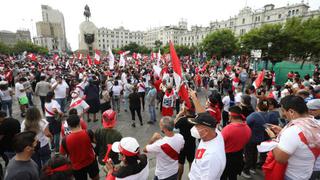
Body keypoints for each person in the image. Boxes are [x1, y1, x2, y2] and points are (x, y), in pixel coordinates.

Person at [265, 95, 320, 180]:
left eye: (283, 111)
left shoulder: (293, 131)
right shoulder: (316, 123)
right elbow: (302, 140)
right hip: (308, 172)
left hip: (292, 175)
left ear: (291, 112)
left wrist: (273, 138)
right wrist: (282, 131)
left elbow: (280, 159)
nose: (283, 114)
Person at [188, 89, 226, 180]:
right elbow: (203, 114)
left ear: (205, 132)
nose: (194, 128)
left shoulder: (211, 157)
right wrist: (194, 97)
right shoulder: (215, 132)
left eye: (197, 126)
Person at [60, 115, 99, 180]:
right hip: (91, 162)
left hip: (76, 167)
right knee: (96, 178)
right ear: (79, 123)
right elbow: (96, 142)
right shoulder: (88, 133)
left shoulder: (65, 140)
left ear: (69, 126)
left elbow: (62, 154)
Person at [221, 106, 251, 180]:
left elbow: (219, 144)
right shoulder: (248, 128)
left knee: (222, 176)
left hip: (226, 157)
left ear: (230, 116)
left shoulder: (227, 129)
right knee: (233, 176)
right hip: (239, 156)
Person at [174, 102, 196, 180]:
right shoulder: (195, 118)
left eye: (183, 105)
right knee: (191, 162)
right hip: (192, 144)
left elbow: (174, 124)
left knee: (181, 162)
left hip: (182, 144)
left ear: (186, 108)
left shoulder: (182, 120)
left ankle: (179, 178)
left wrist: (179, 114)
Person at [0, 111, 20, 177]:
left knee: (9, 160)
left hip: (7, 147)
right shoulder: (15, 121)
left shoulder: (2, 125)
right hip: (17, 144)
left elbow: (1, 136)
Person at [307, 99, 320, 180]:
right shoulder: (310, 120)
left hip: (316, 164)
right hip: (310, 162)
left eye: (313, 110)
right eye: (309, 109)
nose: (310, 111)